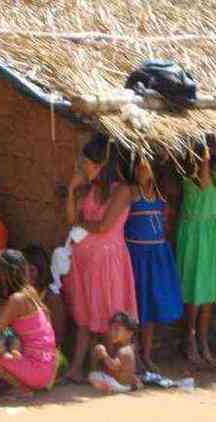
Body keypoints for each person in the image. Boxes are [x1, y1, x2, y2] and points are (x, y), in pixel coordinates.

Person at [62, 134, 137, 384]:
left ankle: (112, 370)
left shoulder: (124, 190)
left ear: (104, 165)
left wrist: (81, 225)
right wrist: (72, 191)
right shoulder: (90, 189)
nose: (86, 168)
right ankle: (75, 369)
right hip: (85, 262)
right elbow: (72, 219)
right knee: (85, 318)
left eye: (91, 164)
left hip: (108, 262)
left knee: (109, 316)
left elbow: (104, 226)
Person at [176, 144, 216, 365]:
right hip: (197, 236)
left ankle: (203, 340)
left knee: (208, 290)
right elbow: (203, 183)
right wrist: (205, 160)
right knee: (196, 290)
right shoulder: (190, 171)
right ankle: (190, 338)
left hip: (213, 234)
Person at [124, 158, 183, 371]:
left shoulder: (159, 195)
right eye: (140, 166)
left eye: (147, 165)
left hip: (156, 256)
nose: (144, 170)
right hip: (138, 256)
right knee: (137, 305)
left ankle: (147, 355)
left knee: (151, 305)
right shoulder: (131, 193)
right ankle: (133, 356)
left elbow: (164, 223)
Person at [0, 250, 57, 398]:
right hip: (47, 368)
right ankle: (20, 380)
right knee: (2, 340)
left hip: (38, 371)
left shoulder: (17, 300)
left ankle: (23, 388)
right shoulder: (29, 292)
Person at [22, 244, 69, 347]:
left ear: (42, 271)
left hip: (47, 352)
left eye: (32, 270)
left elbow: (59, 337)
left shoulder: (52, 298)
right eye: (23, 270)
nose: (27, 275)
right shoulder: (19, 294)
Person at [89, 312, 142, 393]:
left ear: (129, 333)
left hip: (118, 384)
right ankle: (132, 387)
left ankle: (109, 388)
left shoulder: (123, 351)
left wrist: (104, 355)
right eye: (111, 329)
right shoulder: (130, 348)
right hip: (125, 383)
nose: (112, 333)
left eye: (116, 329)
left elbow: (114, 366)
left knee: (93, 375)